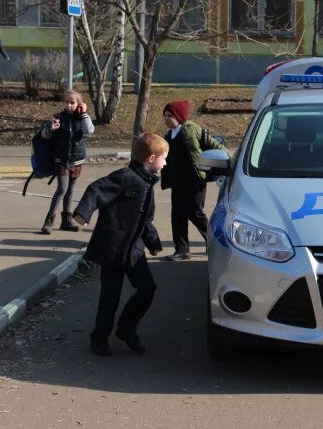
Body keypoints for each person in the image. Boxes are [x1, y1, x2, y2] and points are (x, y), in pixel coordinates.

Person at [73, 132, 168, 356]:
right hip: (113, 250)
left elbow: (145, 220)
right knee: (110, 296)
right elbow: (96, 189)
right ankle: (99, 337)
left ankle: (126, 328)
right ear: (152, 159)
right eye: (165, 158)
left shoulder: (147, 184)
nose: (166, 164)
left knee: (147, 289)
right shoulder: (125, 177)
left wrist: (153, 243)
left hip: (134, 251)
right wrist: (84, 212)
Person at [161, 100, 226, 261]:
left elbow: (217, 147)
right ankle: (182, 250)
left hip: (195, 181)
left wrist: (224, 162)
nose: (167, 119)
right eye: (165, 116)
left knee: (195, 212)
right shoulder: (168, 136)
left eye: (170, 116)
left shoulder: (192, 130)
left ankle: (215, 243)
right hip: (178, 182)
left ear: (180, 116)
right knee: (177, 215)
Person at [40, 89, 95, 234]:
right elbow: (44, 135)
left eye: (72, 102)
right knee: (62, 189)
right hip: (61, 159)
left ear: (79, 104)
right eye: (67, 102)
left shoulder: (82, 117)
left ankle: (66, 220)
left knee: (70, 190)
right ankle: (48, 221)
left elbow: (89, 130)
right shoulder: (58, 116)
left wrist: (83, 113)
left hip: (77, 160)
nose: (69, 105)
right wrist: (51, 129)